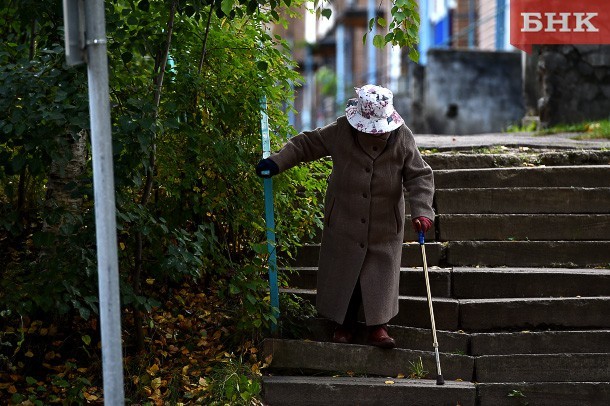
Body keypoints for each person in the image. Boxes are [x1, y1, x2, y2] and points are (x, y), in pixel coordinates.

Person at [256, 84, 434, 349]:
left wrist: (422, 211)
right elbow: (307, 144)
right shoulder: (341, 130)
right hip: (345, 217)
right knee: (345, 272)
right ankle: (344, 324)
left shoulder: (402, 137)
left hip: (385, 222)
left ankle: (378, 328)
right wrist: (276, 161)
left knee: (379, 274)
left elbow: (419, 175)